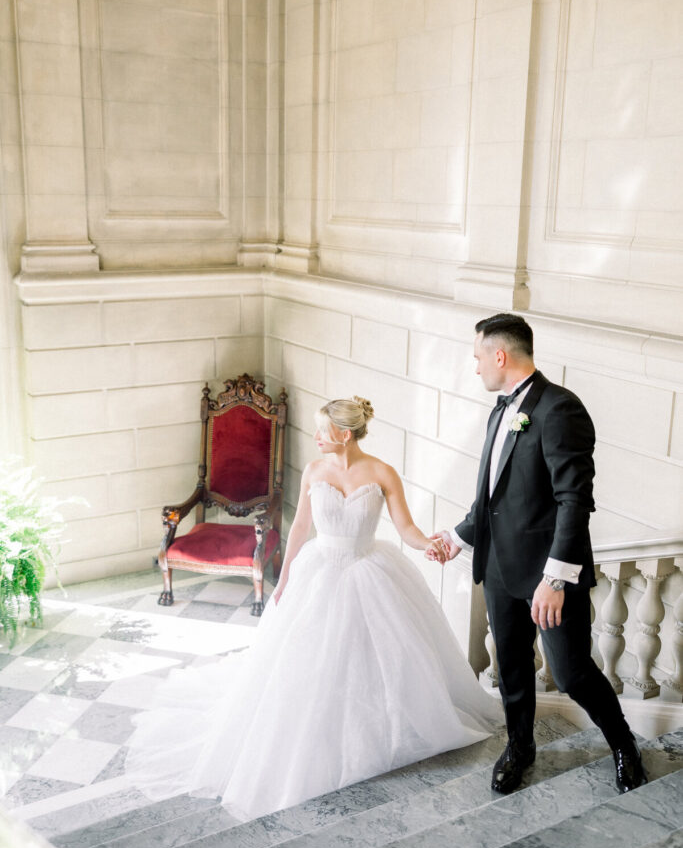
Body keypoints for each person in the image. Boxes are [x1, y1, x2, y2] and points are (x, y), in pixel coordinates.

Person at [126, 396, 502, 821]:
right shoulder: (313, 471)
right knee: (308, 661)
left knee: (371, 660)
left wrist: (432, 545)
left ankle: (376, 733)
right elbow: (301, 527)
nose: (317, 437)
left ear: (344, 434)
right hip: (319, 571)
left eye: (323, 430)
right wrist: (284, 581)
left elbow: (407, 529)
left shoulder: (381, 473)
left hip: (369, 571)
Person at [429, 313, 647, 796]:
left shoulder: (559, 410)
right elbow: (493, 494)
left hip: (549, 575)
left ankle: (623, 744)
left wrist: (555, 580)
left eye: (478, 357)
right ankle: (520, 747)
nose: (476, 367)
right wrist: (459, 538)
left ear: (500, 355)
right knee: (511, 668)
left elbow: (575, 501)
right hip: (501, 570)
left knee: (571, 672)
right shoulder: (499, 410)